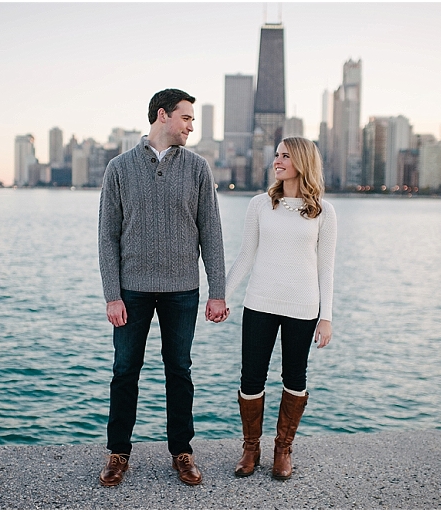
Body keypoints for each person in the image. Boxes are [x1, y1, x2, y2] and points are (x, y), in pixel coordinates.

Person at [97, 88, 229, 487]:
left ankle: (182, 452)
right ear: (162, 116)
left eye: (192, 120)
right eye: (186, 118)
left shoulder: (197, 168)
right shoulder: (119, 168)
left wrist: (217, 290)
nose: (191, 125)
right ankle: (118, 453)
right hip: (132, 291)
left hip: (182, 290)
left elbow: (211, 230)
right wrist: (112, 294)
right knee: (124, 371)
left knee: (180, 371)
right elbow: (107, 236)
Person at [224, 136, 337, 480]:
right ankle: (250, 448)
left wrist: (327, 317)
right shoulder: (260, 204)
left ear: (302, 162)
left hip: (303, 306)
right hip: (260, 302)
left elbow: (325, 267)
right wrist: (222, 296)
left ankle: (283, 450)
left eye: (285, 155)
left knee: (295, 377)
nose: (277, 160)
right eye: (276, 155)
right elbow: (246, 255)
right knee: (251, 377)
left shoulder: (322, 211)